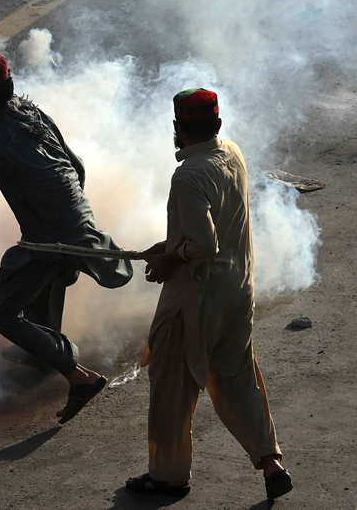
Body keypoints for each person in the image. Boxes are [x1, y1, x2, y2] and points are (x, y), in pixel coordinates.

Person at [0, 51, 133, 424]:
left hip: (54, 237)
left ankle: (77, 374)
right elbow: (76, 167)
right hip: (79, 224)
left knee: (5, 315)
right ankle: (40, 352)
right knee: (40, 268)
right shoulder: (32, 113)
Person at [126, 89, 291, 500]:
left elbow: (202, 246)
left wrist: (169, 258)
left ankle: (168, 475)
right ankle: (271, 463)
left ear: (178, 129)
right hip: (237, 290)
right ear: (217, 126)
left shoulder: (188, 175)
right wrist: (170, 245)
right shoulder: (231, 153)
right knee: (238, 377)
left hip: (195, 300)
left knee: (170, 385)